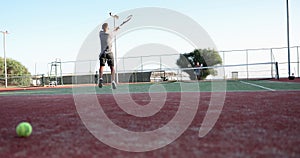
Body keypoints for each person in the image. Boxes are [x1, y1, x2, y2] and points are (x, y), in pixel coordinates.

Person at [98, 23, 119, 89]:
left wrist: (113, 29)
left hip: (102, 53)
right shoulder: (110, 34)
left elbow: (107, 30)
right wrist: (116, 29)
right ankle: (113, 81)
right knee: (112, 68)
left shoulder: (100, 33)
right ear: (107, 28)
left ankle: (100, 78)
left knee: (101, 67)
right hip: (109, 53)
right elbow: (113, 31)